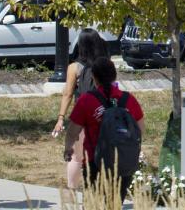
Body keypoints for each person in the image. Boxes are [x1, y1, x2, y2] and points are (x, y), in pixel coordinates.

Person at [65, 57, 145, 201]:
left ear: (94, 78)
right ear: (114, 76)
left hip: (95, 164)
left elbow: (72, 131)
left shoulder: (86, 100)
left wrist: (68, 148)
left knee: (92, 204)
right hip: (123, 163)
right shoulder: (129, 100)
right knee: (114, 204)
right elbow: (140, 131)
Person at [51, 29, 111, 189]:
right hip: (105, 115)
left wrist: (61, 118)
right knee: (103, 155)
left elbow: (68, 94)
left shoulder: (74, 68)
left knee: (77, 157)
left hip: (83, 117)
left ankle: (72, 191)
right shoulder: (106, 65)